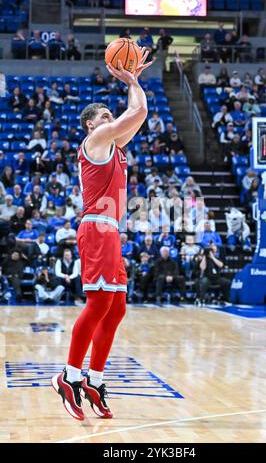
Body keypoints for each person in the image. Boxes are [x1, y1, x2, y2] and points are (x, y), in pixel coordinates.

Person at [51, 48, 152, 420]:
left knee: (117, 308)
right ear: (91, 126)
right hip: (96, 227)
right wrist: (131, 81)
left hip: (111, 231)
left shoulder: (116, 146)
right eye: (105, 116)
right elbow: (136, 112)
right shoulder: (95, 143)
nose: (112, 119)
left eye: (111, 116)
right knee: (98, 306)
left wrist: (134, 85)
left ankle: (94, 379)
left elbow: (139, 116)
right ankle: (69, 376)